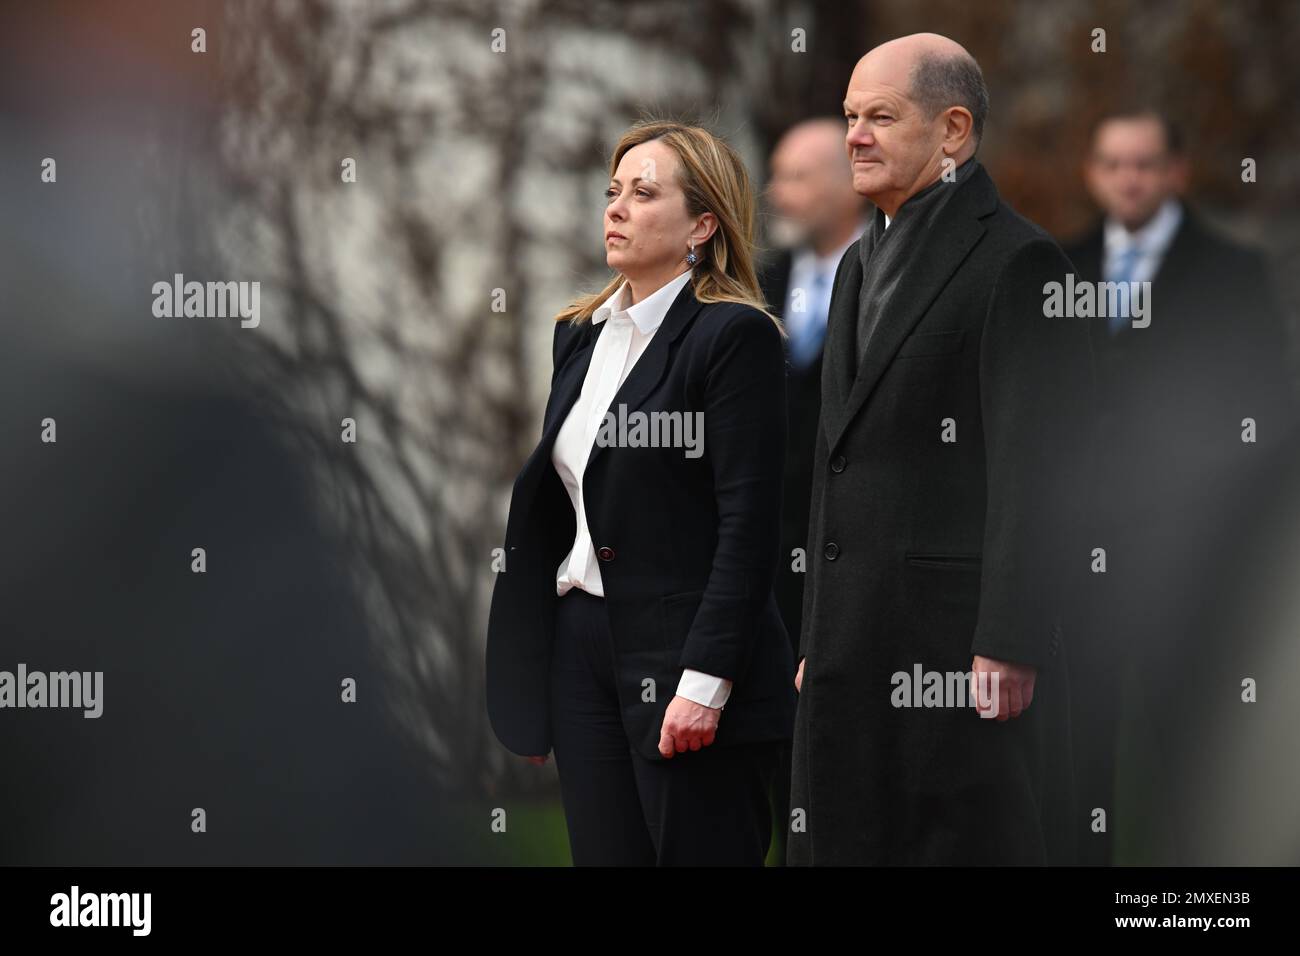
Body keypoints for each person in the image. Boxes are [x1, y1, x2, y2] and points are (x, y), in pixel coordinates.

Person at [787, 33, 1093, 865]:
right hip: (851, 652)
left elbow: (1036, 465)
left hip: (957, 658)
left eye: (879, 116)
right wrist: (818, 636)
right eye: (850, 116)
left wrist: (1011, 637)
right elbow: (835, 460)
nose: (854, 134)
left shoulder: (1019, 263)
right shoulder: (854, 265)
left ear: (953, 131)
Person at [485, 119, 797, 866]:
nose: (616, 208)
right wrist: (540, 680)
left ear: (702, 223)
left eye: (644, 193)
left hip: (686, 661)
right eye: (612, 191)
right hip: (581, 652)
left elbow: (747, 528)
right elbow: (566, 506)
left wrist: (706, 682)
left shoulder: (733, 337)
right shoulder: (581, 334)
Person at [1061, 108, 1293, 864]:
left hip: (1191, 561)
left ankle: (1189, 904)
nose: (1130, 178)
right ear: (1094, 174)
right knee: (1077, 754)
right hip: (1081, 557)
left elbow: (1262, 410)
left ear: (1176, 173)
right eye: (1115, 163)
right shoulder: (1057, 268)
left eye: (1146, 163)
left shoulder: (1233, 272)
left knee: (1185, 748)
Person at [758, 117, 867, 865]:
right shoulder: (754, 289)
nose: (775, 192)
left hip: (849, 557)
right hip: (762, 560)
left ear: (842, 184)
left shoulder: (890, 279)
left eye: (795, 176)